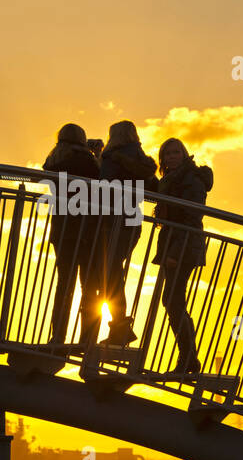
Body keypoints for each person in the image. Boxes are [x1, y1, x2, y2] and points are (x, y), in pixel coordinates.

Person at [152, 138, 212, 373]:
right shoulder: (171, 179)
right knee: (174, 301)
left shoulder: (191, 179)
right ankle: (188, 358)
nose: (172, 157)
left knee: (173, 301)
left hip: (184, 246)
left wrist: (175, 253)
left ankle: (189, 359)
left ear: (184, 154)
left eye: (176, 152)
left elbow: (191, 218)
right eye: (167, 154)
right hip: (175, 244)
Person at [97, 120, 158, 346]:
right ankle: (120, 328)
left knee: (110, 274)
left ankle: (120, 328)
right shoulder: (142, 160)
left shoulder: (112, 157)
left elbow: (104, 187)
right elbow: (155, 189)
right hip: (132, 222)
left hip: (113, 221)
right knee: (113, 273)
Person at [42, 123, 102, 345]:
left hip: (62, 230)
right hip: (85, 231)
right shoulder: (86, 160)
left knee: (64, 286)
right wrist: (97, 154)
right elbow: (101, 179)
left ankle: (57, 336)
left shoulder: (54, 159)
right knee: (88, 286)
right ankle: (87, 337)